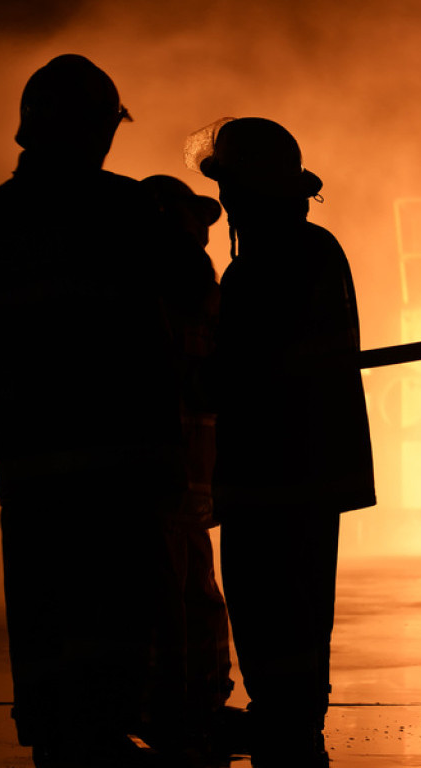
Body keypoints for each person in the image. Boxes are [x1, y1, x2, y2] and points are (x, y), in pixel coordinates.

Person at [0, 55, 185, 768]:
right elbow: (183, 301)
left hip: (34, 463)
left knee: (45, 598)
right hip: (124, 457)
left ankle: (58, 734)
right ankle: (107, 726)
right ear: (93, 128)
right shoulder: (127, 211)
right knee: (116, 602)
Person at [187, 116, 376, 768]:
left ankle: (283, 725)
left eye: (228, 184)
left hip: (270, 475)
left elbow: (240, 375)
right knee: (298, 609)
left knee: (267, 607)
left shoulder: (258, 270)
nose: (225, 201)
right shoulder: (317, 250)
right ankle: (292, 721)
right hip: (314, 472)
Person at [135, 173, 239, 757]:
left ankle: (196, 702)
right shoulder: (154, 289)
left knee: (192, 586)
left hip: (188, 472)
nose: (202, 234)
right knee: (169, 590)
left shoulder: (193, 286)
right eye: (191, 220)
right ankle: (175, 708)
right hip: (166, 469)